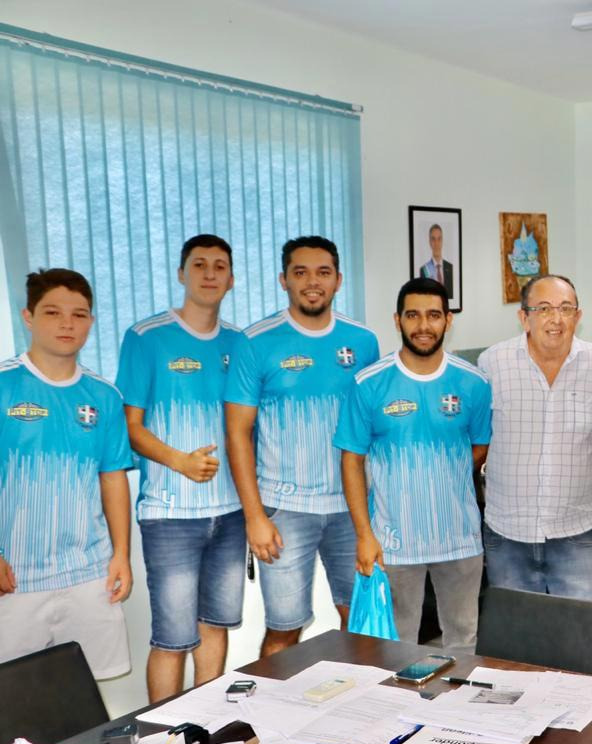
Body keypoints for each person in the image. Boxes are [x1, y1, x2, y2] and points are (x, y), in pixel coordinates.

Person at [224, 236, 379, 656]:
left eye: (323, 272)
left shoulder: (363, 342)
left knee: (361, 622)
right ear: (284, 280)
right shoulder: (256, 342)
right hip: (285, 512)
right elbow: (237, 432)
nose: (313, 282)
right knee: (284, 632)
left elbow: (373, 430)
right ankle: (272, 720)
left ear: (338, 280)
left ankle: (359, 717)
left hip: (352, 510)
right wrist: (254, 516)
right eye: (301, 272)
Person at [115, 234, 248, 702]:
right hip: (170, 515)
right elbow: (128, 425)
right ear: (181, 274)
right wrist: (181, 462)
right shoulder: (146, 338)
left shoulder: (239, 342)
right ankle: (162, 741)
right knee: (172, 639)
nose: (209, 274)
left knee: (215, 626)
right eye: (199, 265)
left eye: (219, 267)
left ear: (231, 280)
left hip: (231, 514)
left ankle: (205, 727)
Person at [336, 278, 491, 650]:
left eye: (434, 315)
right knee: (394, 648)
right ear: (397, 320)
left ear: (448, 320)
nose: (424, 325)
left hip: (460, 540)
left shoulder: (473, 383)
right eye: (413, 315)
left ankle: (455, 710)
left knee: (463, 642)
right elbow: (351, 461)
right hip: (393, 544)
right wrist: (363, 535)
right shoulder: (368, 383)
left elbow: (480, 448)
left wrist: (437, 476)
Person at [0, 269, 132, 678]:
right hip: (15, 579)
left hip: (88, 573)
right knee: (15, 703)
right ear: (28, 316)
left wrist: (121, 555)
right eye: (53, 312)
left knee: (88, 696)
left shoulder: (105, 396)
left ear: (91, 321)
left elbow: (112, 477)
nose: (66, 324)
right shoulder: (5, 384)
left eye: (79, 315)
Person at [479, 274, 592, 600]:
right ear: (523, 317)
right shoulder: (492, 364)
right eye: (543, 308)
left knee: (583, 639)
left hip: (576, 532)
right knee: (513, 642)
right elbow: (476, 436)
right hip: (507, 533)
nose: (556, 319)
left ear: (578, 317)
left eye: (565, 308)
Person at [419, 224, 454, 300]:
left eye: (439, 239)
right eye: (433, 239)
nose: (436, 243)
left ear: (442, 241)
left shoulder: (450, 267)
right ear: (429, 242)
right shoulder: (424, 269)